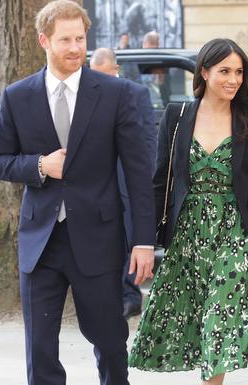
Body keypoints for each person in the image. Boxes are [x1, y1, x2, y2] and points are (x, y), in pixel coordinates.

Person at [0, 2, 156, 385]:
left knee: (110, 343)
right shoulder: (17, 97)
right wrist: (39, 166)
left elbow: (139, 174)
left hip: (100, 241)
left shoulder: (118, 94)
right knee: (40, 353)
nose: (76, 48)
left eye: (80, 39)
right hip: (40, 243)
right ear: (44, 41)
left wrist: (143, 241)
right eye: (65, 40)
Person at [128, 38, 248, 385]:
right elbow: (160, 181)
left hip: (235, 234)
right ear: (204, 73)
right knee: (201, 333)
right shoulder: (177, 116)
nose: (233, 80)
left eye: (239, 73)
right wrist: (147, 241)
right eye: (224, 72)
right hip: (188, 236)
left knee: (220, 330)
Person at [90, 47, 158, 319]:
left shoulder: (136, 93)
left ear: (115, 70)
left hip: (128, 178)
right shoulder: (87, 93)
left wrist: (144, 173)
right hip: (97, 180)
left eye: (104, 75)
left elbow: (149, 138)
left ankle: (130, 295)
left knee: (131, 238)